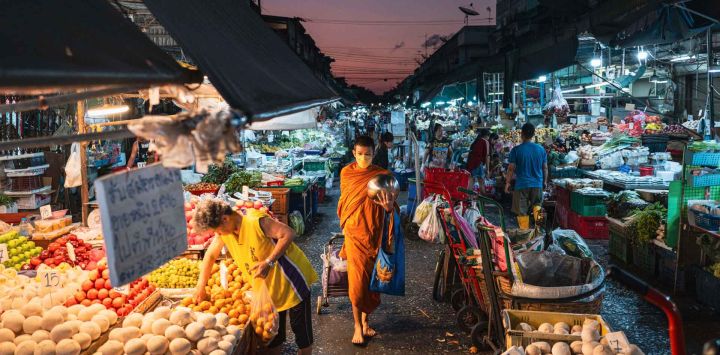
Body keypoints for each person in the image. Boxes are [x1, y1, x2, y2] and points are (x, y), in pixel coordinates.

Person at [193, 200, 317, 355]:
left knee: (301, 332)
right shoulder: (227, 232)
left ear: (225, 219)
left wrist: (268, 262)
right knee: (273, 335)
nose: (218, 235)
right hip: (269, 288)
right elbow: (210, 255)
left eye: (218, 230)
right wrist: (200, 286)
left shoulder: (254, 221)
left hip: (292, 282)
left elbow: (288, 233)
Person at [337, 136, 397, 345]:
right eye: (360, 154)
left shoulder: (383, 175)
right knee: (356, 281)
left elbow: (392, 208)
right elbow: (346, 202)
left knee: (372, 280)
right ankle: (356, 324)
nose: (364, 158)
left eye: (368, 154)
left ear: (374, 153)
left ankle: (365, 321)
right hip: (354, 234)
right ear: (354, 153)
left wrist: (389, 209)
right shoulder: (347, 173)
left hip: (375, 233)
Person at [505, 123, 548, 228]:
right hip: (537, 184)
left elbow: (511, 169)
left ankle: (524, 233)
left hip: (522, 185)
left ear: (522, 134)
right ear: (533, 134)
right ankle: (540, 229)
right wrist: (545, 181)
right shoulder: (541, 149)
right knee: (537, 206)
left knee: (522, 211)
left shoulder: (516, 150)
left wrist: (507, 183)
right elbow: (545, 168)